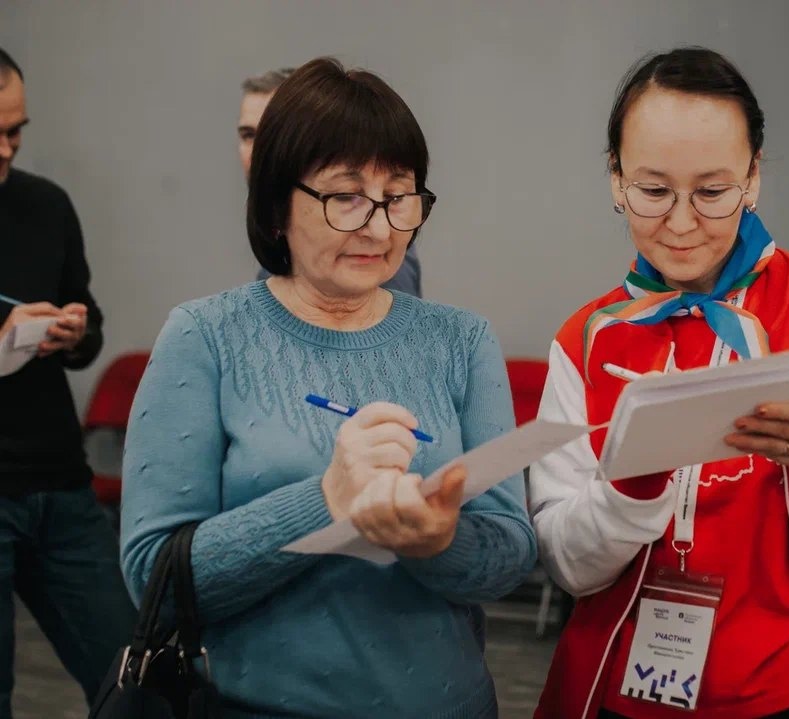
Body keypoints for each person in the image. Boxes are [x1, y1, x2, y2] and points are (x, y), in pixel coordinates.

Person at [529, 47, 789, 719]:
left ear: (753, 179)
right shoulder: (586, 340)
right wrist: (632, 485)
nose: (681, 222)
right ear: (615, 180)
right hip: (623, 693)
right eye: (653, 191)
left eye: (712, 192)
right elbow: (569, 566)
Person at [121, 57, 536, 719]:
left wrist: (434, 541)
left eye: (398, 197)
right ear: (275, 206)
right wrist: (327, 499)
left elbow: (510, 554)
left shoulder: (461, 340)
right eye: (345, 196)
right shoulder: (205, 335)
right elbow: (153, 579)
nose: (379, 227)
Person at [0, 47, 135, 718]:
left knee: (134, 681)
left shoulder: (45, 205)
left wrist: (75, 333)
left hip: (59, 487)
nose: (6, 149)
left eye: (16, 130)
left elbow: (92, 323)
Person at [238, 67, 423, 296]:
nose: (260, 152)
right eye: (249, 135)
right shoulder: (289, 256)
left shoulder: (368, 254)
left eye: (279, 137)